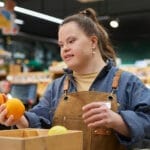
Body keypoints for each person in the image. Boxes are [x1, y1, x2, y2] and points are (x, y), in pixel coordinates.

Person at [0, 8, 150, 150]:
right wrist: (19, 119)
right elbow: (40, 122)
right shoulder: (56, 87)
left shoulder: (127, 83)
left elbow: (147, 122)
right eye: (61, 44)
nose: (64, 48)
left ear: (93, 42)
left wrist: (118, 121)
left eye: (71, 41)